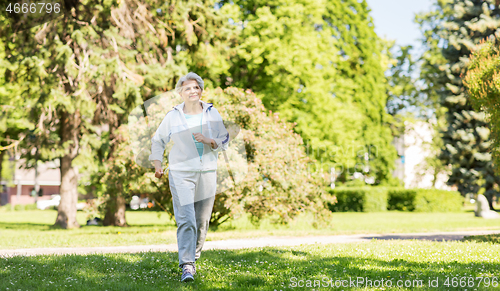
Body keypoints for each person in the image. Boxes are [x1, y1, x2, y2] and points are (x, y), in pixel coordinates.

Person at [149, 72, 229, 282]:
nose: (193, 91)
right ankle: (187, 265)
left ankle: (193, 257)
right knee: (186, 219)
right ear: (181, 93)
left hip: (207, 172)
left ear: (201, 91)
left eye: (196, 88)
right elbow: (157, 141)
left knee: (202, 221)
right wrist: (158, 165)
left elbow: (224, 140)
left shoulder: (212, 112)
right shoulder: (173, 116)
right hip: (181, 172)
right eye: (188, 88)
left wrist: (208, 140)